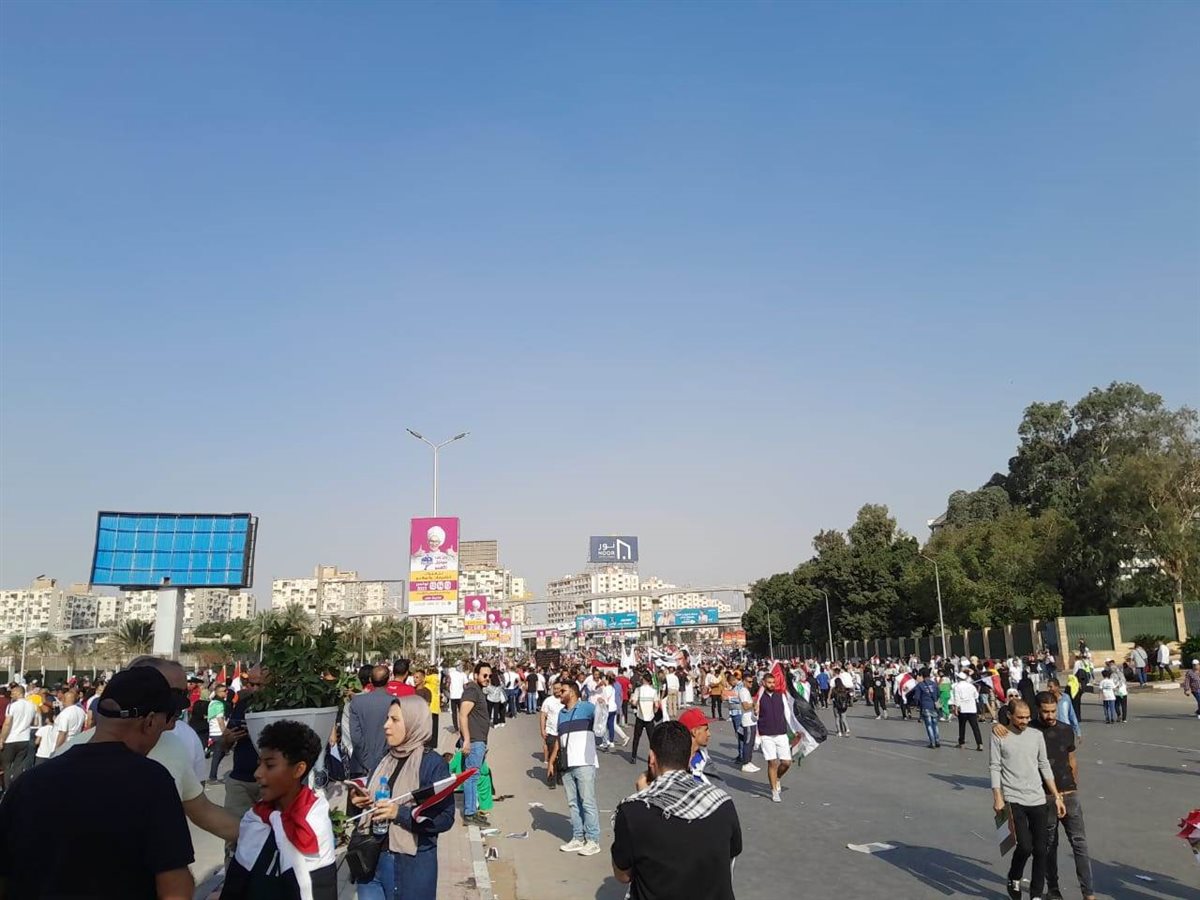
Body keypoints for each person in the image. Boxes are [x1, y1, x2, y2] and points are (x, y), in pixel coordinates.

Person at [0, 667, 195, 899]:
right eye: (168, 719)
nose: (169, 727)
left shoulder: (30, 781)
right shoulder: (153, 782)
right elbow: (175, 888)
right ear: (150, 721)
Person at [611, 721, 741, 900]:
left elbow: (623, 875)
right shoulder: (722, 802)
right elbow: (731, 853)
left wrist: (644, 795)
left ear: (651, 758)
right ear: (689, 759)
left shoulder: (632, 811)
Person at [352, 696, 455, 900]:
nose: (386, 725)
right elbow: (372, 801)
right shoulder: (384, 758)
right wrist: (359, 803)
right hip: (370, 860)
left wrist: (400, 813)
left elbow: (445, 818)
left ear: (413, 723)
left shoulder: (431, 764)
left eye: (395, 720)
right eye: (387, 718)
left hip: (408, 866)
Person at [220, 721, 337, 900]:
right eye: (259, 764)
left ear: (298, 769)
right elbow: (236, 882)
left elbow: (322, 890)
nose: (257, 773)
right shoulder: (257, 817)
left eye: (270, 765)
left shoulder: (313, 823)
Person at [994, 693, 1095, 900]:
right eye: (1046, 712)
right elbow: (1008, 730)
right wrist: (997, 725)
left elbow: (1069, 760)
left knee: (1078, 844)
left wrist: (1069, 788)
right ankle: (1052, 890)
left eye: (1053, 711)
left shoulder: (1065, 730)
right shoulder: (1028, 728)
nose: (1050, 716)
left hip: (1066, 795)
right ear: (1037, 711)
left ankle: (1087, 894)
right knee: (1044, 847)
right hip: (1040, 798)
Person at [990, 700, 1065, 900]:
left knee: (1041, 850)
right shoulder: (999, 735)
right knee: (1025, 846)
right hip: (1013, 798)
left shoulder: (1036, 735)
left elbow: (1044, 764)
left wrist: (1056, 796)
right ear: (1009, 716)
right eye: (1020, 717)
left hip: (1038, 798)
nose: (1024, 721)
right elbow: (995, 766)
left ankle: (1036, 895)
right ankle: (1014, 876)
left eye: (1027, 717)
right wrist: (997, 797)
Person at [549, 680, 601, 856]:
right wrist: (551, 760)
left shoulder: (587, 708)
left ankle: (593, 840)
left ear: (572, 692)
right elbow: (559, 738)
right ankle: (578, 837)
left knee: (587, 802)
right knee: (573, 803)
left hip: (584, 762)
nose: (559, 693)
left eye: (562, 690)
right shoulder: (561, 713)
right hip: (567, 764)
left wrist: (602, 706)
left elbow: (601, 721)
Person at [458, 662, 492, 826]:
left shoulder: (477, 690)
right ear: (476, 675)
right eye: (484, 675)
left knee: (473, 776)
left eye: (489, 676)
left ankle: (471, 810)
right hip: (474, 740)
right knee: (471, 777)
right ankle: (470, 814)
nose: (487, 678)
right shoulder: (472, 690)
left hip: (478, 740)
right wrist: (466, 740)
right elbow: (463, 714)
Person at [349, 666, 396, 778]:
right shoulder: (394, 702)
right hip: (386, 762)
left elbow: (356, 736)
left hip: (360, 765)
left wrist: (366, 760)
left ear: (370, 680)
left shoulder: (357, 701)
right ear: (388, 679)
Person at [754, 671, 792, 803]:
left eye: (773, 682)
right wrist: (755, 711)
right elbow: (754, 717)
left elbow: (787, 713)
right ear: (763, 683)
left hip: (781, 733)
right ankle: (774, 791)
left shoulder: (780, 696)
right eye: (769, 682)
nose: (772, 685)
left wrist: (795, 729)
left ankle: (777, 778)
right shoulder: (759, 698)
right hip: (766, 735)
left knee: (786, 763)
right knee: (772, 762)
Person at [0, 684, 36, 787]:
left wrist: (2, 739)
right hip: (24, 738)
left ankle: (7, 789)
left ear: (19, 693)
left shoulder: (12, 706)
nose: (11, 695)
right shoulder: (32, 706)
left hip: (11, 739)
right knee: (18, 766)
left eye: (13, 693)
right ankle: (16, 786)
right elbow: (33, 721)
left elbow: (7, 723)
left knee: (7, 767)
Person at [630, 672, 659, 764]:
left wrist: (634, 702)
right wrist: (654, 712)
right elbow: (657, 705)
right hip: (650, 717)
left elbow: (634, 703)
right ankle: (653, 758)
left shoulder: (638, 690)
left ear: (644, 680)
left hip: (640, 716)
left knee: (636, 738)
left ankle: (633, 756)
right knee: (652, 739)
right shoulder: (653, 691)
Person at [677, 707, 712, 784]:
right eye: (706, 730)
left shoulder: (704, 759)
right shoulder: (673, 763)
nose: (709, 734)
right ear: (694, 732)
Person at [540, 681, 565, 787]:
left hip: (563, 733)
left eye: (559, 688)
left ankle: (560, 778)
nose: (557, 690)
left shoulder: (565, 700)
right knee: (552, 756)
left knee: (562, 756)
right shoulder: (548, 701)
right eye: (555, 688)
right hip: (551, 732)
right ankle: (551, 780)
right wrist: (542, 730)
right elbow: (543, 716)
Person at [951, 672, 983, 751]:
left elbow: (957, 699)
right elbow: (976, 696)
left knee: (962, 726)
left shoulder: (957, 687)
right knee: (975, 727)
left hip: (963, 709)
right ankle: (979, 743)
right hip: (972, 708)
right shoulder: (971, 686)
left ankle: (961, 742)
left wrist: (955, 709)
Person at [207, 684, 230, 782]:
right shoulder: (219, 704)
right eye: (224, 691)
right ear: (217, 692)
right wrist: (225, 732)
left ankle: (213, 776)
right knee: (218, 754)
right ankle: (212, 777)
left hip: (214, 732)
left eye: (226, 690)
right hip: (218, 732)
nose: (226, 692)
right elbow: (220, 720)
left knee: (220, 753)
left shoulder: (212, 703)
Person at [913, 667, 941, 748]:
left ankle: (932, 742)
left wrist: (916, 705)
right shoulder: (934, 684)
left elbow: (916, 697)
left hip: (925, 706)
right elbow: (938, 694)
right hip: (934, 706)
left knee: (929, 725)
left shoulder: (920, 685)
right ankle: (937, 741)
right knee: (935, 724)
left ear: (922, 675)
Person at [447, 662, 469, 732]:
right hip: (460, 696)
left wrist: (449, 689)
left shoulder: (451, 674)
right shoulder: (463, 674)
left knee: (454, 712)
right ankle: (462, 726)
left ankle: (456, 727)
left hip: (453, 696)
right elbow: (465, 685)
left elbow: (448, 683)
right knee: (461, 712)